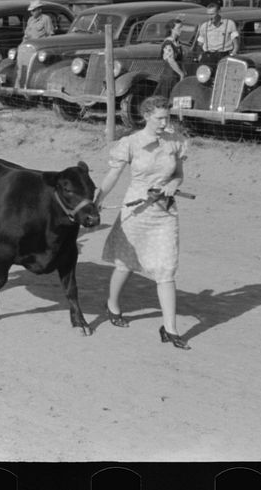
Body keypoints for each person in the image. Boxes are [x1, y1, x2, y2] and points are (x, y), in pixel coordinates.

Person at [93, 95, 191, 350]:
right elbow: (113, 175)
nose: (163, 123)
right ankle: (113, 305)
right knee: (125, 264)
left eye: (167, 118)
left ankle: (170, 329)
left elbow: (179, 174)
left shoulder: (176, 143)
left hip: (164, 213)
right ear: (146, 115)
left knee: (166, 270)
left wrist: (172, 184)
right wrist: (97, 201)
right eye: (159, 118)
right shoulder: (130, 143)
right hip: (136, 211)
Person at [160, 18, 187, 89]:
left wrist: (183, 72)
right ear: (172, 29)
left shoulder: (177, 42)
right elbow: (171, 61)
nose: (181, 30)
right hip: (170, 77)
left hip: (177, 75)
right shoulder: (168, 43)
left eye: (181, 27)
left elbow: (181, 60)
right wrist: (181, 73)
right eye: (179, 28)